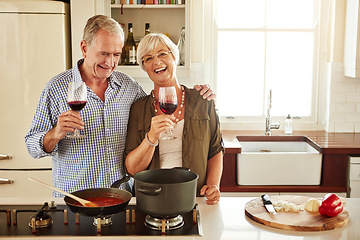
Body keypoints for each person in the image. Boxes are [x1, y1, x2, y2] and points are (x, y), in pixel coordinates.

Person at [25, 15, 214, 197]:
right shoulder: (56, 88)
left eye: (116, 54)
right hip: (76, 200)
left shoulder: (128, 87)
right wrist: (55, 133)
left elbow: (154, 105)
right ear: (84, 48)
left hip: (122, 199)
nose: (110, 62)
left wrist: (197, 94)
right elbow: (32, 146)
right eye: (104, 54)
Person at [124, 33, 224, 205]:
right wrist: (151, 138)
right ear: (144, 67)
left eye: (163, 54)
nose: (156, 61)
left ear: (174, 57)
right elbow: (132, 168)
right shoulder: (138, 109)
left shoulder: (203, 101)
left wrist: (213, 185)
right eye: (148, 58)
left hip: (194, 199)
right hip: (152, 201)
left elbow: (215, 149)